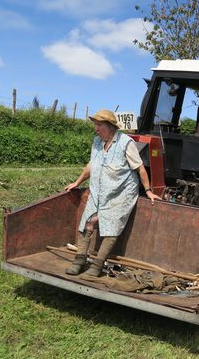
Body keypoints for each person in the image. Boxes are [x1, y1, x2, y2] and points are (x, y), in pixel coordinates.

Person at [64, 109, 161, 277]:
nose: (96, 128)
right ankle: (79, 260)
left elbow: (140, 168)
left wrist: (149, 191)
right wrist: (78, 182)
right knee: (86, 224)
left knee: (111, 228)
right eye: (95, 125)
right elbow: (91, 166)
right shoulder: (96, 142)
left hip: (121, 193)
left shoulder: (126, 143)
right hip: (99, 191)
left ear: (110, 126)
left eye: (99, 125)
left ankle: (97, 265)